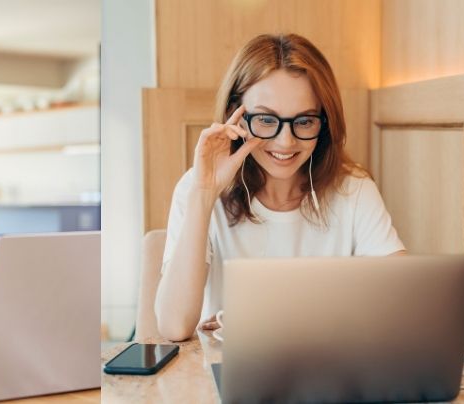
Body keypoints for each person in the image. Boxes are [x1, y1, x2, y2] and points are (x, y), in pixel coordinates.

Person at [153, 33, 406, 342]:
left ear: (324, 122)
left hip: (327, 372)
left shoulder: (353, 189)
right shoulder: (196, 187)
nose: (285, 142)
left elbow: (402, 303)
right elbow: (174, 326)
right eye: (266, 120)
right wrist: (204, 195)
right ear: (238, 116)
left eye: (304, 121)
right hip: (224, 375)